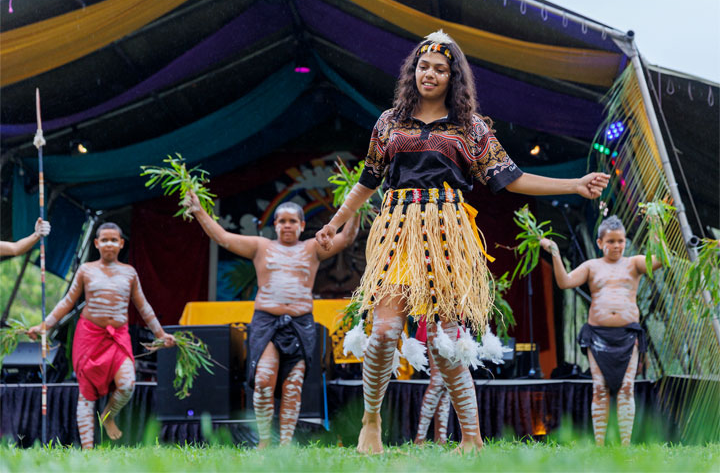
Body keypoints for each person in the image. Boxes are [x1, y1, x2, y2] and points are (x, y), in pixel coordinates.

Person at [315, 30, 610, 453]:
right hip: (397, 232)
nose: (430, 74)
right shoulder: (388, 122)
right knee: (382, 333)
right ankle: (371, 421)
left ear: (454, 78)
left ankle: (471, 438)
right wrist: (335, 221)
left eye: (440, 68)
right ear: (412, 71)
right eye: (423, 66)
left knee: (448, 339)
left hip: (447, 236)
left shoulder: (469, 128)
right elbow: (367, 181)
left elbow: (513, 179)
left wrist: (574, 184)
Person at [183, 190, 359, 448]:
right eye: (282, 221)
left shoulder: (312, 248)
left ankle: (285, 443)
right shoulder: (260, 246)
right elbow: (221, 237)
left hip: (300, 323)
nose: (287, 225)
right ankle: (265, 440)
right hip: (267, 321)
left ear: (301, 225)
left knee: (292, 386)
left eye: (292, 221)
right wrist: (198, 209)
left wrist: (356, 209)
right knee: (264, 380)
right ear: (274, 225)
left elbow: (347, 237)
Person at [28, 222, 175, 449]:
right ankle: (88, 449)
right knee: (86, 393)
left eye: (114, 240)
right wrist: (44, 326)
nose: (109, 244)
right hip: (89, 336)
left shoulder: (130, 273)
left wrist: (161, 333)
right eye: (104, 240)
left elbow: (143, 306)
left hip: (118, 336)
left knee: (127, 383)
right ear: (96, 243)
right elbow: (67, 302)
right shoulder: (86, 270)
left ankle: (108, 416)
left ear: (121, 243)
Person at [540, 215, 660, 446]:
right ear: (599, 243)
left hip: (627, 335)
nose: (616, 246)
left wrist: (656, 230)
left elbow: (659, 261)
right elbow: (564, 282)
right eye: (611, 241)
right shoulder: (591, 266)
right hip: (597, 335)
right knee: (600, 389)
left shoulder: (634, 263)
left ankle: (624, 445)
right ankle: (599, 445)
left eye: (621, 241)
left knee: (626, 388)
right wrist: (554, 252)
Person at [414, 354, 450, 445]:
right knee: (438, 381)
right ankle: (420, 439)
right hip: (437, 340)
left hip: (454, 340)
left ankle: (441, 439)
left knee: (445, 383)